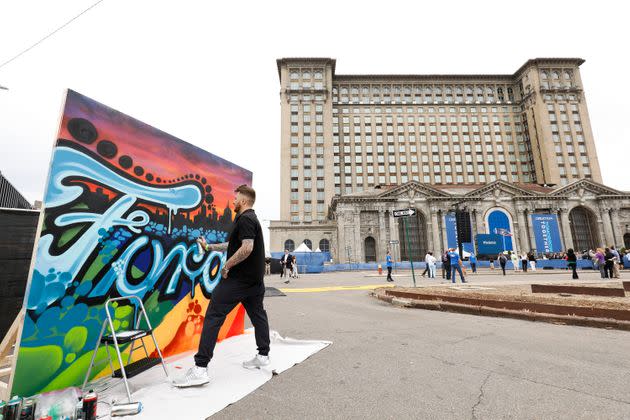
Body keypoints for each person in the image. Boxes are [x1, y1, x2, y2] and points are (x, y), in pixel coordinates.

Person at [175, 185, 270, 387]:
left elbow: (247, 248)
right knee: (258, 315)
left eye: (235, 198)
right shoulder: (250, 220)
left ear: (243, 201)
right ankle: (263, 356)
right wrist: (209, 247)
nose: (233, 201)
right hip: (254, 281)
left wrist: (226, 266)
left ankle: (200, 369)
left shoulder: (245, 218)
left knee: (213, 316)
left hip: (239, 280)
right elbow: (234, 245)